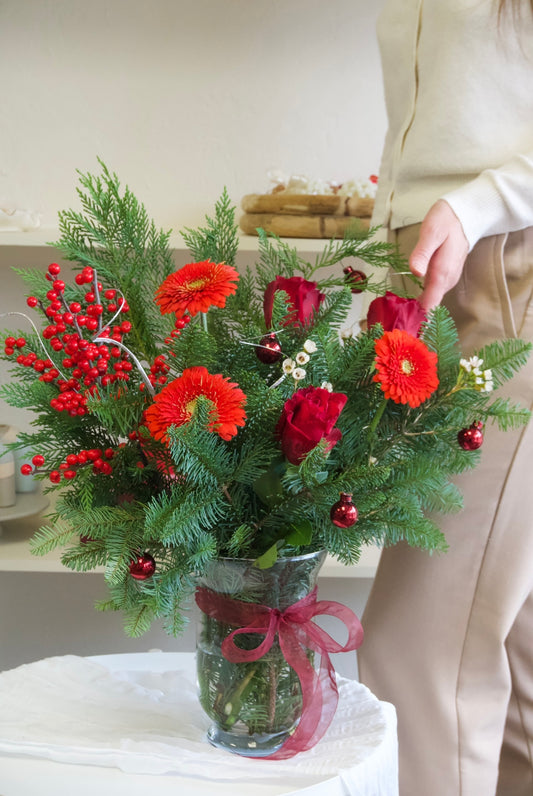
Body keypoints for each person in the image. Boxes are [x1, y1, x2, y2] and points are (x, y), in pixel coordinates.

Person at [356, 2, 533, 795]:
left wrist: (472, 207)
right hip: (435, 270)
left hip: (510, 273)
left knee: (418, 650)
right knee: (512, 656)